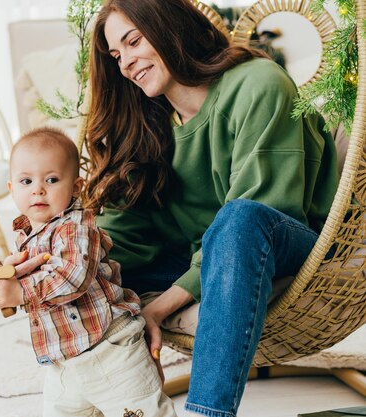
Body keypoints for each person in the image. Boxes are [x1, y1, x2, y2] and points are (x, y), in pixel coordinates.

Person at [81, 0, 339, 416]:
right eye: (116, 55)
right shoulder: (150, 126)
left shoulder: (258, 84)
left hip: (288, 243)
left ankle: (207, 412)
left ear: (167, 27)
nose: (126, 63)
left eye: (133, 42)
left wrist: (159, 306)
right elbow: (127, 227)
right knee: (87, 264)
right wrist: (64, 259)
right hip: (203, 259)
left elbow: (264, 207)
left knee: (238, 219)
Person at [0, 126, 177, 417]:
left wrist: (21, 292)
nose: (38, 189)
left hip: (110, 351)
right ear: (12, 188)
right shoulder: (27, 236)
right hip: (64, 361)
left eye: (51, 179)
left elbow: (71, 278)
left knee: (143, 412)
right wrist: (10, 281)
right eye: (26, 181)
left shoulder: (76, 229)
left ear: (76, 187)